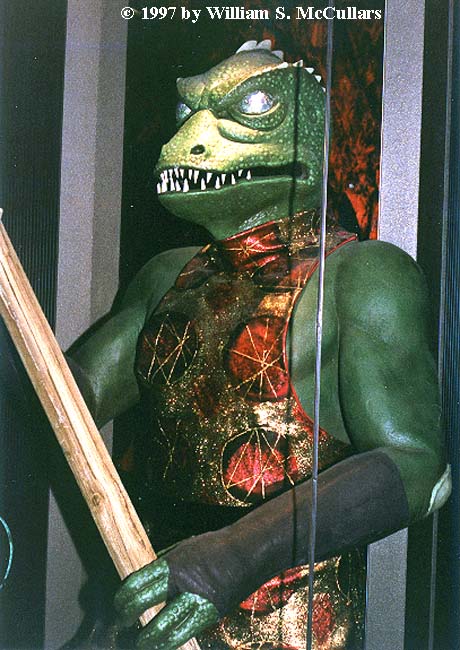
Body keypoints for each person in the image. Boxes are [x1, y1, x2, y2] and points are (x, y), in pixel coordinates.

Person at [68, 41, 450, 649]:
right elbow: (66, 398)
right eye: (189, 111)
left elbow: (416, 464)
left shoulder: (358, 274)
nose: (190, 138)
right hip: (150, 598)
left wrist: (234, 555)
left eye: (249, 108)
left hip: (288, 617)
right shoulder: (169, 275)